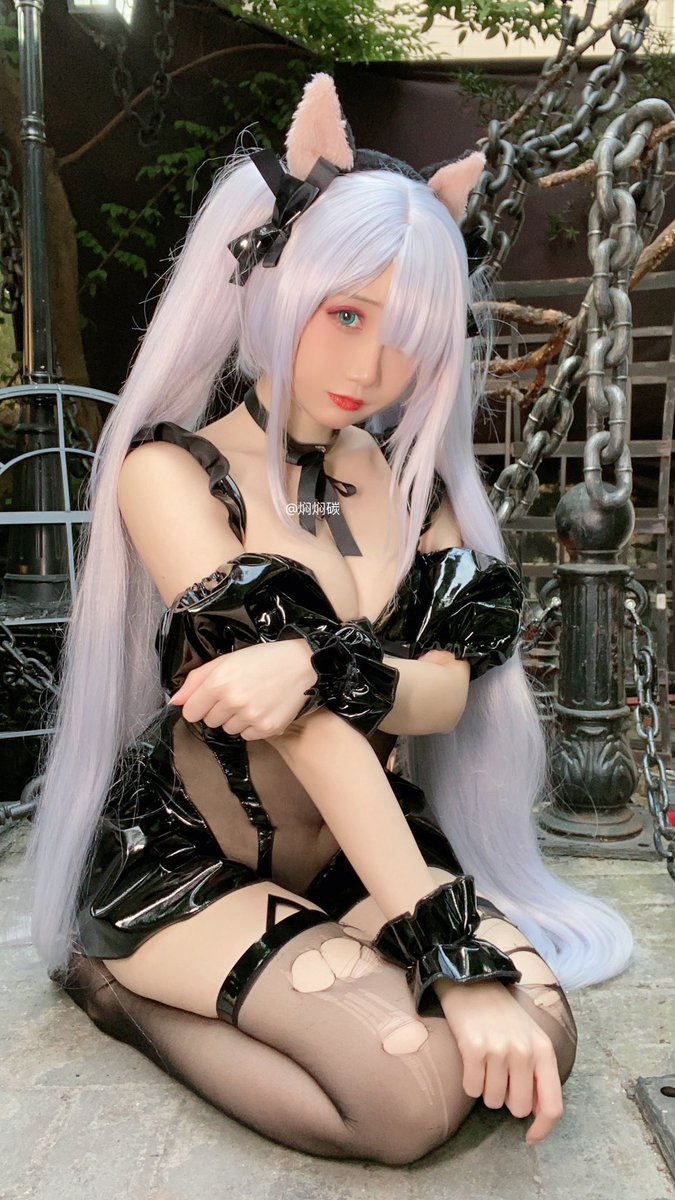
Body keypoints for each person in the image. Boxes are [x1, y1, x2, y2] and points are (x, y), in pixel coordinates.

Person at [27, 73, 633, 1165]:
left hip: (363, 854)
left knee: (542, 1029)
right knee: (408, 1098)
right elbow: (303, 736)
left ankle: (312, 976)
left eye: (408, 333)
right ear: (274, 282)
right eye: (344, 313)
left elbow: (444, 691)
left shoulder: (413, 487)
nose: (370, 368)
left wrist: (316, 666)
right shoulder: (174, 473)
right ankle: (117, 984)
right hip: (187, 861)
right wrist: (448, 956)